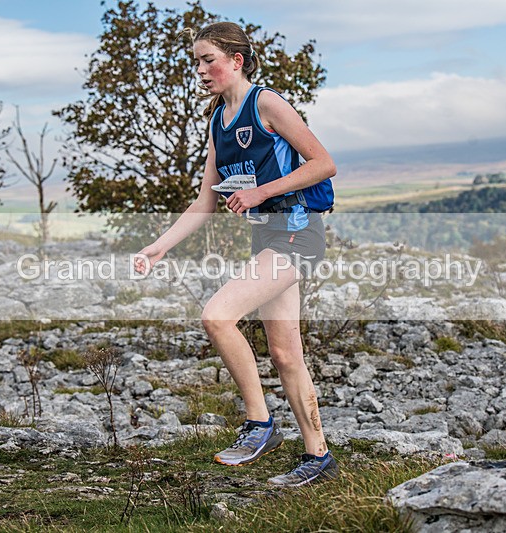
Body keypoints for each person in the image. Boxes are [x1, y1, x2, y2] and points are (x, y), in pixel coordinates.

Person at [133, 21, 338, 487]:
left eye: (209, 60)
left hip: (298, 232)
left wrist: (260, 191)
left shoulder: (266, 103)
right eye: (196, 62)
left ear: (235, 60)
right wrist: (159, 247)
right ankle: (318, 456)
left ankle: (259, 424)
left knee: (217, 315)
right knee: (286, 354)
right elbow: (205, 200)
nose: (201, 70)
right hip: (267, 237)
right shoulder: (216, 121)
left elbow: (324, 163)